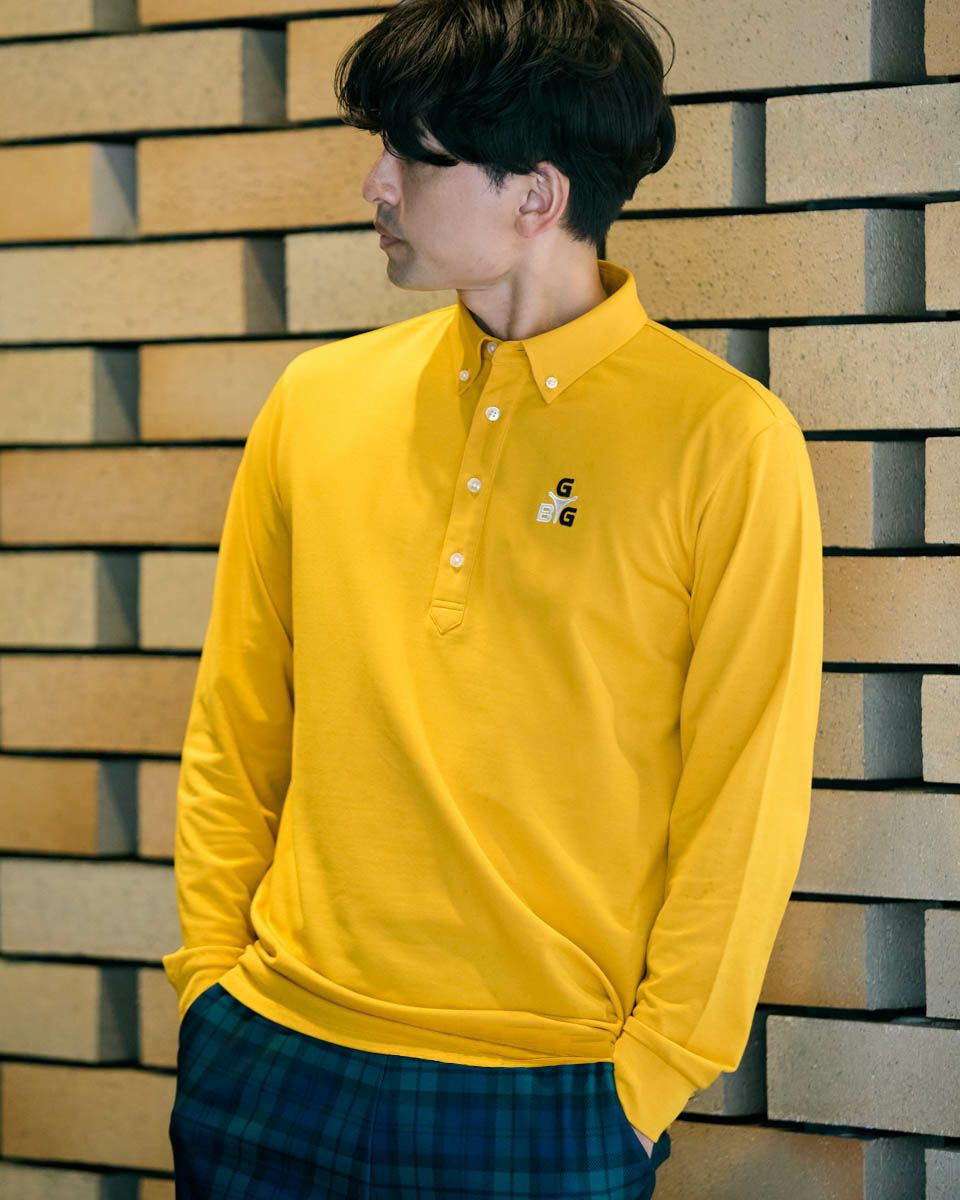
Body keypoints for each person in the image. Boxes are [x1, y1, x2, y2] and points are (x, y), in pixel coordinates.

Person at [164, 2, 824, 1196]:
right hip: (271, 1054)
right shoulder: (315, 402)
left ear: (537, 196)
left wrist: (651, 1075)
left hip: (550, 1090)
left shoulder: (727, 441)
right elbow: (238, 723)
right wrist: (211, 980)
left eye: (414, 157)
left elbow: (747, 790)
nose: (376, 184)